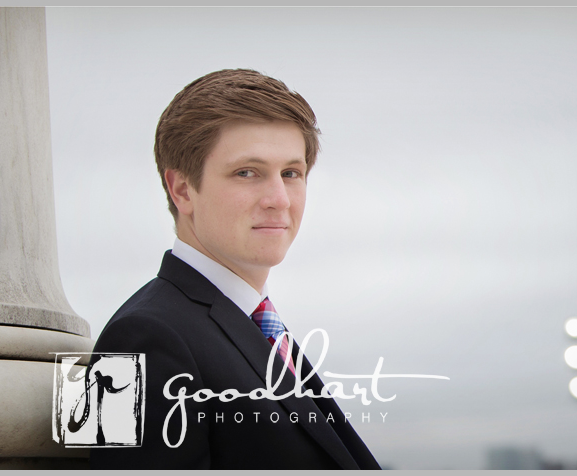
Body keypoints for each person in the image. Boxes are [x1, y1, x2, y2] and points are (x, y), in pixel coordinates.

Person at [90, 69, 381, 470]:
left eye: (291, 174)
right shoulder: (134, 338)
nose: (279, 199)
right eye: (247, 172)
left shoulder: (261, 327)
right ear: (182, 189)